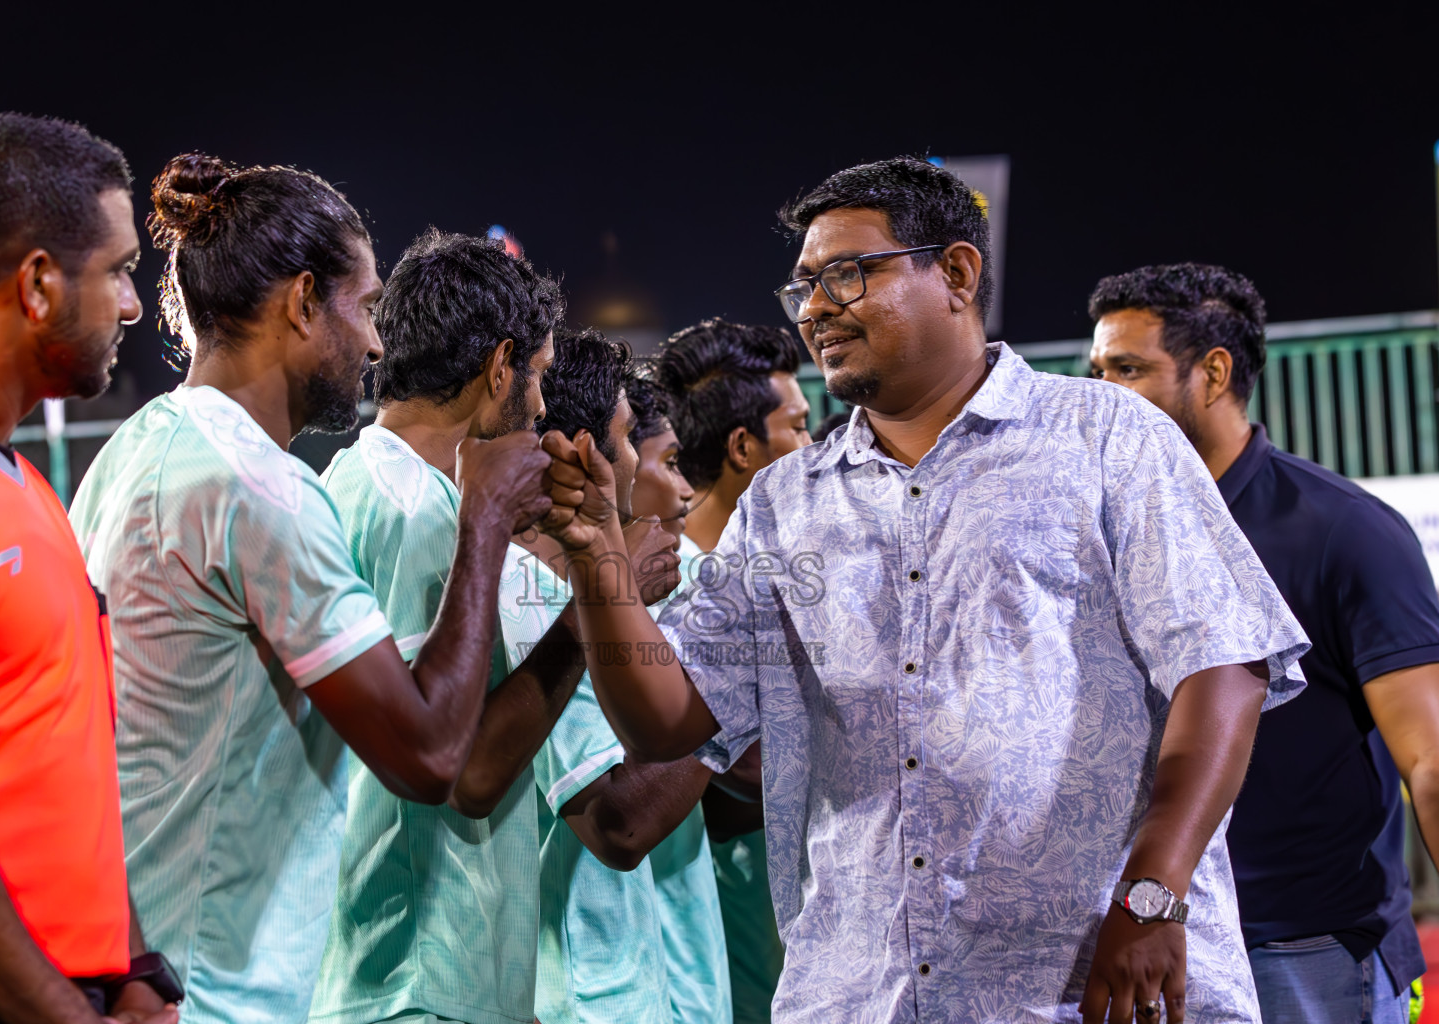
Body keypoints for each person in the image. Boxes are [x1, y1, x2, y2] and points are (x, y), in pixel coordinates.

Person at [537, 156, 1311, 1023]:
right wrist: (599, 557)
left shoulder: (1107, 437)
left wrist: (1154, 893)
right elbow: (666, 721)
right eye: (803, 289)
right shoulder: (786, 503)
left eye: (844, 275)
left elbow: (1224, 668)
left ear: (955, 272)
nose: (816, 309)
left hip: (1086, 984)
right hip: (863, 995)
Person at [70, 158, 553, 1023]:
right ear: (301, 302)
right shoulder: (259, 489)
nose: (375, 344)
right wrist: (485, 519)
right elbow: (431, 756)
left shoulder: (130, 452)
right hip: (220, 989)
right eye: (364, 308)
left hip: (138, 961)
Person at [1090, 263, 1439, 1024]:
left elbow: (1432, 757)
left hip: (1303, 948)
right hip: (1140, 935)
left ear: (1213, 373)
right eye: (1096, 371)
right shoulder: (1096, 532)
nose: (1102, 393)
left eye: (1128, 369)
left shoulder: (1344, 531)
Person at [0, 114, 177, 1024]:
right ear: (38, 286)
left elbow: (62, 764)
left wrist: (131, 964)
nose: (134, 304)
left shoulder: (18, 478)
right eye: (118, 271)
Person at [310, 227, 581, 1024]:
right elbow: (455, 767)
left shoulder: (362, 483)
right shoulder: (420, 515)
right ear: (499, 367)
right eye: (534, 376)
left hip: (409, 978)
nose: (538, 405)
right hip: (418, 979)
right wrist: (598, 608)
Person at [518, 328, 707, 1024]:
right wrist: (734, 686)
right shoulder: (530, 593)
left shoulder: (606, 594)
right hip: (586, 998)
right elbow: (617, 824)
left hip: (631, 983)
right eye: (630, 439)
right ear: (580, 453)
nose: (637, 461)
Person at [656, 317, 811, 1023]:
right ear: (745, 447)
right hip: (717, 925)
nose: (814, 447)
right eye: (800, 428)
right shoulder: (674, 585)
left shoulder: (785, 571)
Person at [626, 368, 733, 1024]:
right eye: (667, 463)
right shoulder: (552, 592)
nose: (685, 487)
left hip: (681, 964)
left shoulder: (683, 574)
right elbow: (619, 821)